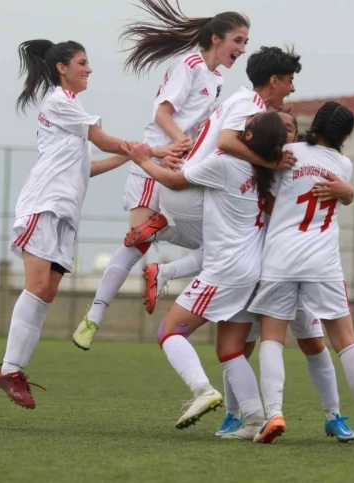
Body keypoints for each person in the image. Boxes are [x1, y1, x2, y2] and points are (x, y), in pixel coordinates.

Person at [0, 39, 173, 409]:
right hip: (43, 205)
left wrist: (135, 157)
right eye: (82, 62)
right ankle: (9, 369)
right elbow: (103, 141)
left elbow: (87, 166)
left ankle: (14, 370)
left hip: (65, 212)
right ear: (62, 68)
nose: (89, 69)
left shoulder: (71, 108)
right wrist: (151, 151)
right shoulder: (60, 101)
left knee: (46, 292)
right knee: (37, 286)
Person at [73, 0, 251, 350]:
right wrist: (177, 143)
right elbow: (162, 114)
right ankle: (93, 317)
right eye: (238, 40)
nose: (242, 49)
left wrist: (194, 151)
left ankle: (163, 245)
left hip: (181, 166)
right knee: (135, 244)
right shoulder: (189, 64)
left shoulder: (216, 79)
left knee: (216, 243)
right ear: (216, 38)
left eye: (245, 42)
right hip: (154, 160)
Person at [127, 111, 287, 439]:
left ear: (249, 138)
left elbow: (174, 181)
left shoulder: (225, 164)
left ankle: (202, 390)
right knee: (230, 349)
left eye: (245, 127)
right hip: (253, 270)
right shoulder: (268, 172)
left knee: (169, 331)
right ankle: (255, 421)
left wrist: (143, 160)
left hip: (225, 270)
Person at [249, 101, 354, 445]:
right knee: (346, 341)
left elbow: (270, 193)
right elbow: (344, 194)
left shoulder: (286, 154)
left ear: (314, 124)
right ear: (346, 134)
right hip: (322, 262)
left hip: (280, 257)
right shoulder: (343, 165)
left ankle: (274, 413)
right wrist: (349, 193)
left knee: (272, 337)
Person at [214, 110, 354, 443]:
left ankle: (333, 415)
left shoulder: (298, 163)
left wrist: (347, 192)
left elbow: (333, 194)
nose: (285, 136)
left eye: (289, 129)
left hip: (294, 266)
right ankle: (235, 415)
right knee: (242, 346)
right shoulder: (255, 168)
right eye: (279, 130)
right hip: (257, 268)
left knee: (313, 342)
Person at [137, 46, 303, 316]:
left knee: (235, 246)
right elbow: (226, 142)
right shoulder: (251, 104)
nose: (292, 88)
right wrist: (270, 163)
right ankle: (165, 242)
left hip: (190, 188)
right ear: (274, 80)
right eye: (290, 80)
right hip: (192, 190)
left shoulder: (240, 99)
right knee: (245, 246)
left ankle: (163, 242)